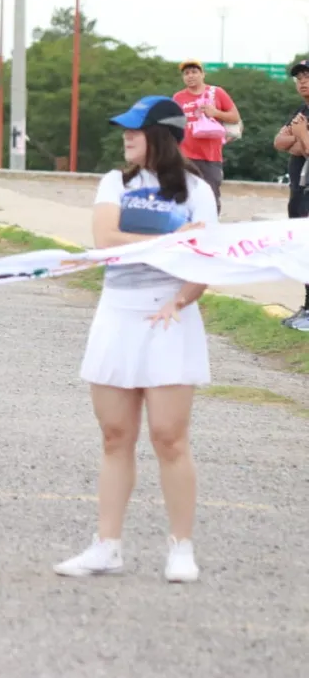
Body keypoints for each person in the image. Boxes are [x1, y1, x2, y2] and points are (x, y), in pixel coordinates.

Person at [55, 95, 217, 584]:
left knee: (169, 438)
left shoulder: (196, 190)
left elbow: (205, 256)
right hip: (117, 317)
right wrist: (173, 239)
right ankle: (107, 546)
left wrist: (182, 299)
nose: (125, 137)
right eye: (124, 129)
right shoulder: (114, 182)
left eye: (135, 130)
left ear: (162, 136)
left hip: (170, 317)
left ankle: (181, 548)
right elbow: (104, 240)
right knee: (114, 436)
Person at [172, 59, 241, 213]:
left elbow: (235, 117)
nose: (190, 76)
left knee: (210, 198)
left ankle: (211, 231)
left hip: (210, 156)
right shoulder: (178, 97)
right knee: (183, 198)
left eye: (194, 72)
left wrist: (216, 113)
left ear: (203, 74)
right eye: (186, 73)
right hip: (184, 155)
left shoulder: (217, 92)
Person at [274, 59, 309, 331]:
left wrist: (300, 136)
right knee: (302, 250)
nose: (302, 82)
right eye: (298, 78)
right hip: (299, 190)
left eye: (307, 76)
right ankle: (307, 306)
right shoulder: (302, 110)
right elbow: (279, 142)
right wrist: (299, 139)